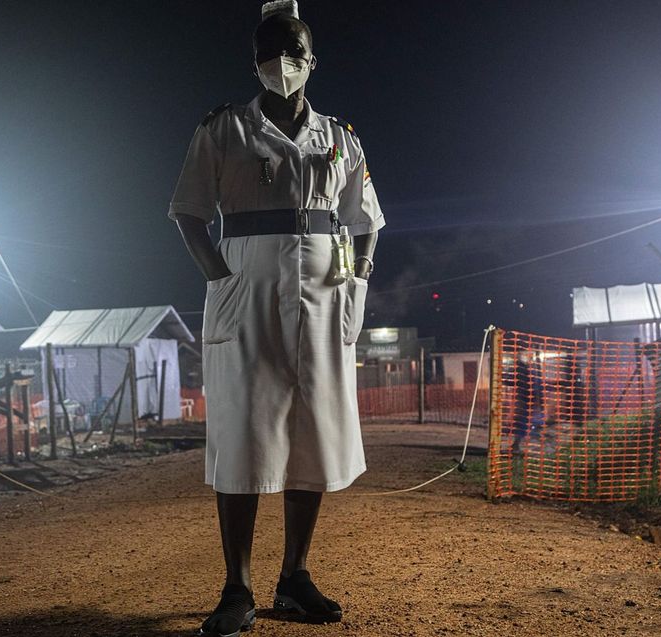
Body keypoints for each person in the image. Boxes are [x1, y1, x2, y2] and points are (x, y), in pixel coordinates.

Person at [168, 2, 385, 635]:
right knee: (241, 427)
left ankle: (294, 577)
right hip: (246, 285)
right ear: (254, 60)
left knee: (312, 430)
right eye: (268, 50)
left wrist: (359, 275)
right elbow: (187, 212)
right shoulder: (224, 129)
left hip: (324, 286)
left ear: (312, 59)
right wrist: (221, 277)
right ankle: (236, 587)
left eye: (291, 50)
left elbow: (366, 217)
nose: (280, 62)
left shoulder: (340, 137)